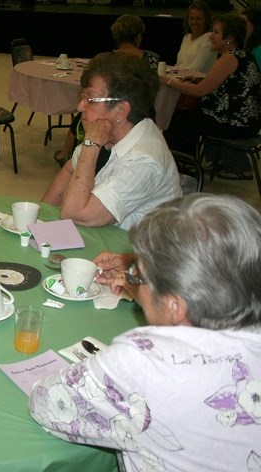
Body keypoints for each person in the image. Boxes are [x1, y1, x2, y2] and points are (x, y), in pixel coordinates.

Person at [29, 193, 261, 472]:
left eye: (139, 277)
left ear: (175, 306)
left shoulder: (145, 362)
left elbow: (46, 403)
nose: (134, 282)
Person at [41, 53, 181, 230]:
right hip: (104, 239)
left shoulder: (145, 160)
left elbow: (76, 214)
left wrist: (90, 145)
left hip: (137, 252)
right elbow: (70, 169)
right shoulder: (110, 134)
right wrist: (37, 222)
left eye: (90, 99)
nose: (80, 106)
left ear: (121, 110)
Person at [53, 14, 160, 167]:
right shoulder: (151, 59)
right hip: (144, 115)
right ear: (138, 37)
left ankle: (65, 153)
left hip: (114, 115)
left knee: (82, 115)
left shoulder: (105, 59)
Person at [163, 13, 261, 180]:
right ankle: (199, 161)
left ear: (228, 37)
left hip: (236, 122)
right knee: (193, 116)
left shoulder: (229, 58)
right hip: (247, 119)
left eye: (215, 33)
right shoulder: (241, 54)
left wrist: (167, 81)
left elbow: (200, 91)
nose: (211, 37)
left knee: (178, 120)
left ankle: (187, 167)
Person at [175, 1, 217, 74]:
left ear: (206, 20)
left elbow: (196, 69)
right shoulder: (186, 37)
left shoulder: (208, 38)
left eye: (199, 19)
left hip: (195, 82)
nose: (194, 22)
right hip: (179, 79)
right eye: (191, 18)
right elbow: (179, 64)